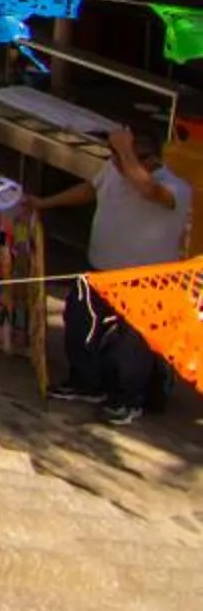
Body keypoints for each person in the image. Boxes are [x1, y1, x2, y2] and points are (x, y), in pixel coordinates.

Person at [33, 114, 194, 426]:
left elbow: (148, 191)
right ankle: (85, 382)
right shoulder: (115, 170)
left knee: (132, 347)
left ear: (149, 158)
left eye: (121, 159)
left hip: (147, 285)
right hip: (101, 270)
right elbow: (91, 189)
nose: (117, 166)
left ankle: (127, 399)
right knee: (79, 319)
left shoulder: (176, 188)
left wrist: (126, 151)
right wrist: (44, 203)